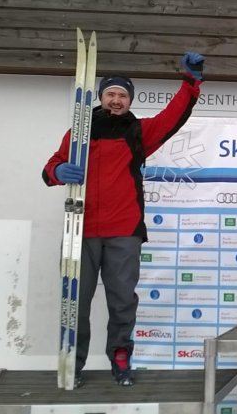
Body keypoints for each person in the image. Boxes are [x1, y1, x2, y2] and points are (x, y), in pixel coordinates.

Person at [42, 51, 205, 387]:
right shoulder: (79, 133)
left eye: (122, 96)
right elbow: (49, 168)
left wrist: (190, 82)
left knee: (122, 301)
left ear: (129, 101)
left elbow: (173, 116)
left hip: (123, 231)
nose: (116, 100)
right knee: (75, 302)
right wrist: (59, 170)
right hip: (81, 230)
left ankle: (120, 356)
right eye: (111, 94)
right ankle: (72, 361)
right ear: (101, 97)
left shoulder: (138, 132)